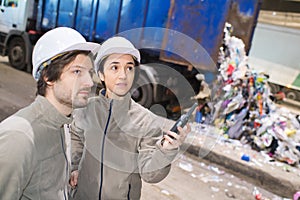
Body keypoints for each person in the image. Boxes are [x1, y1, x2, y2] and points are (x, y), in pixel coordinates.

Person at [70, 36, 190, 199]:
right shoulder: (86, 109)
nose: (123, 75)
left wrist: (166, 151)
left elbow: (150, 175)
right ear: (101, 75)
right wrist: (74, 167)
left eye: (129, 68)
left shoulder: (145, 121)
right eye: (115, 67)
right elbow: (76, 138)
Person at [0, 27, 100, 199]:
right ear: (48, 77)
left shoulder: (64, 126)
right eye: (77, 72)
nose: (89, 82)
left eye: (89, 73)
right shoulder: (20, 137)